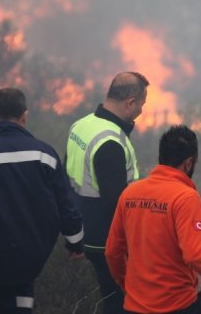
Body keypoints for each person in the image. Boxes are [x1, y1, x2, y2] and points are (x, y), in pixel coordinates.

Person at [0, 87, 84, 313]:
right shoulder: (45, 155)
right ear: (25, 116)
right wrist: (75, 242)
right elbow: (66, 205)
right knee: (21, 303)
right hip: (28, 259)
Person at [106, 125, 201, 314]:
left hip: (133, 307)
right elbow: (196, 256)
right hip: (177, 306)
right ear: (189, 163)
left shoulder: (130, 193)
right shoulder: (185, 197)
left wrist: (127, 286)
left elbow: (112, 251)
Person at [65, 72, 148, 314]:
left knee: (109, 296)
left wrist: (72, 234)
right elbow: (117, 203)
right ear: (130, 102)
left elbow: (66, 177)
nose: (142, 111)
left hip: (83, 229)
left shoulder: (81, 125)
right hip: (106, 240)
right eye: (142, 104)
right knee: (120, 302)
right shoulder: (110, 141)